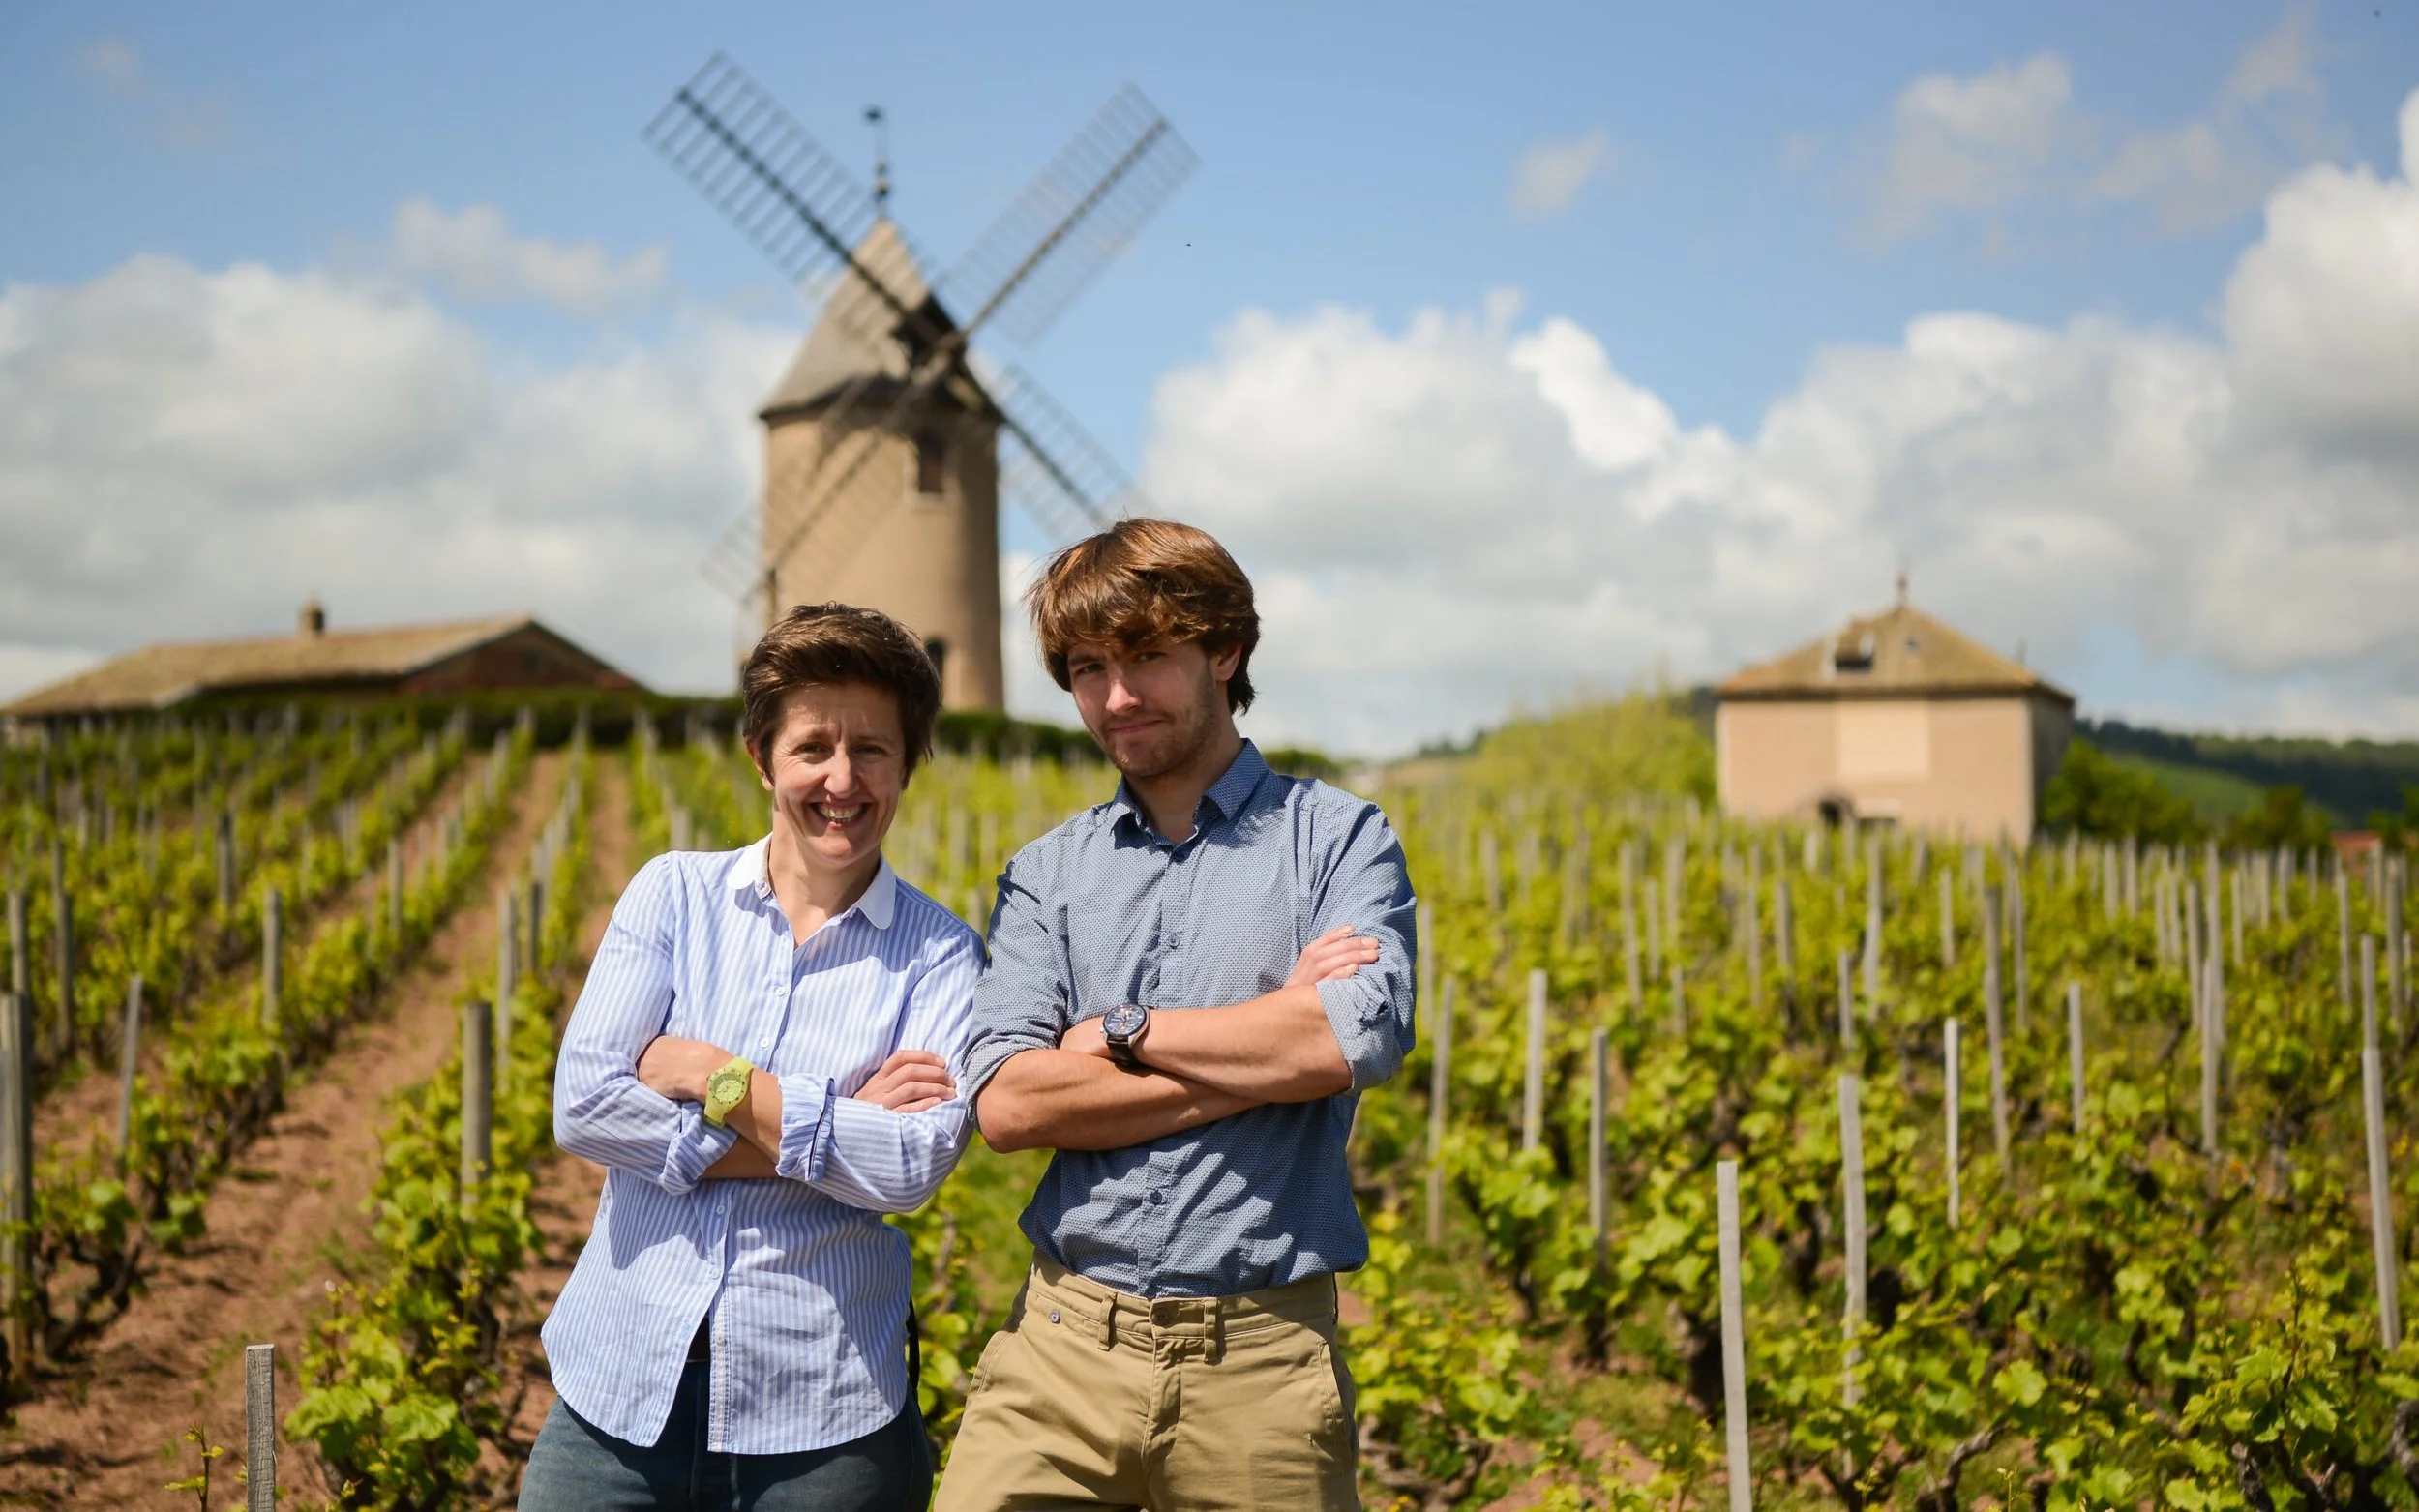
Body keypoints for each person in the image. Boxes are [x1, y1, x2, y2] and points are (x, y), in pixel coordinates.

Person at [934, 519, 1418, 1512]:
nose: (1115, 697)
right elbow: (1009, 1109)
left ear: (1224, 650)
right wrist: (1266, 1042)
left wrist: (1120, 1035)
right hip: (1060, 1354)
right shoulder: (1047, 874)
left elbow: (1346, 1037)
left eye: (1148, 657)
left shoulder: (1338, 840)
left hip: (1263, 1368)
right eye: (1086, 668)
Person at [523, 603, 979, 1512]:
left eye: (873, 750)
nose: (841, 779)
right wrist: (831, 1117)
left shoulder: (943, 953)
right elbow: (583, 1104)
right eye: (813, 746)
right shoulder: (673, 895)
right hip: (620, 1388)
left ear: (909, 764)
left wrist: (708, 1076)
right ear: (761, 757)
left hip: (825, 1414)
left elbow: (907, 1164)